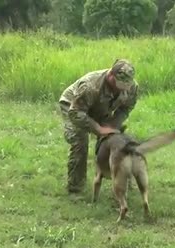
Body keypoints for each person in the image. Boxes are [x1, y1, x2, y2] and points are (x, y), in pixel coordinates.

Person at [58, 59, 139, 197]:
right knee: (80, 142)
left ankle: (123, 182)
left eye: (126, 84)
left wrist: (112, 125)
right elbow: (75, 112)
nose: (123, 88)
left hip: (102, 109)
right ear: (111, 75)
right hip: (74, 106)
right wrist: (98, 129)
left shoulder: (132, 87)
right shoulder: (90, 86)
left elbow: (126, 108)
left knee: (119, 140)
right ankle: (75, 189)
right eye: (120, 84)